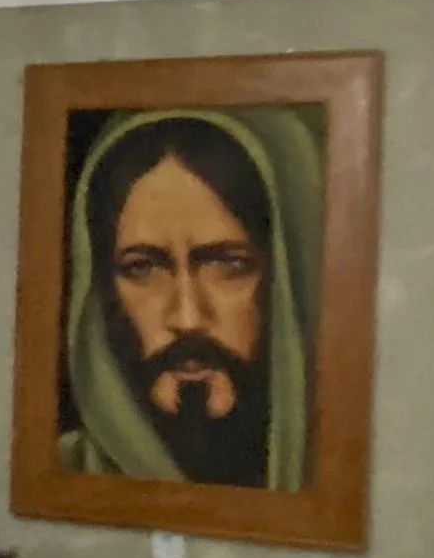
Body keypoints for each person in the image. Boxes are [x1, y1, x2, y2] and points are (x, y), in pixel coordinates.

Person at [56, 104, 326, 490]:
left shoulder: (340, 474)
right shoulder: (66, 471)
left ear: (286, 275)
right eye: (142, 268)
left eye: (229, 265)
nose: (187, 318)